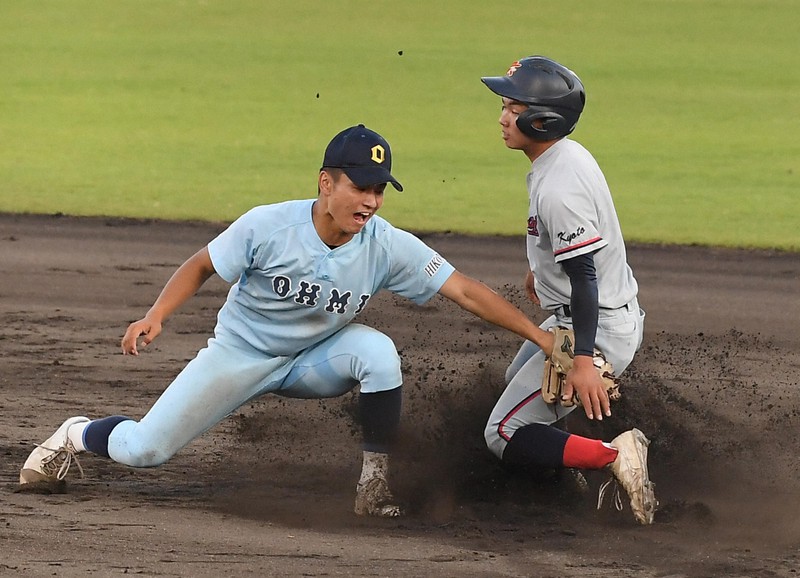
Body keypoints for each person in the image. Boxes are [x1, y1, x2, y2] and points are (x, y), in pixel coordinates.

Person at [19, 123, 560, 518]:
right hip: (241, 355)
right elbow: (204, 263)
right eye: (359, 185)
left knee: (377, 353)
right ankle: (76, 435)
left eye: (378, 189)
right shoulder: (269, 226)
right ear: (327, 183)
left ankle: (374, 486)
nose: (370, 200)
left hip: (316, 360)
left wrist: (541, 337)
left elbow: (463, 289)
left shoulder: (386, 244)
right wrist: (156, 315)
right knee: (145, 451)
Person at [480, 56, 656, 524]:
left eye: (512, 107)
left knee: (503, 431)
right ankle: (567, 467)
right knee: (514, 390)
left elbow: (584, 277)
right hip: (589, 313)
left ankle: (615, 458)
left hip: (592, 327)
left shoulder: (558, 187)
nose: (501, 117)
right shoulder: (564, 156)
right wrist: (540, 271)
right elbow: (574, 257)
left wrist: (582, 363)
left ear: (543, 118)